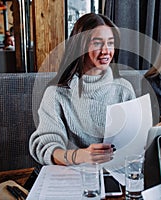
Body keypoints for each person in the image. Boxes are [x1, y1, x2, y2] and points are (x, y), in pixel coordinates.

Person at [29, 13, 136, 166]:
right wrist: (80, 156)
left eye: (111, 43)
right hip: (74, 175)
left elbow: (134, 140)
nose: (106, 51)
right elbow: (47, 148)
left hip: (117, 174)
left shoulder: (124, 89)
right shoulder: (56, 94)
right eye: (98, 43)